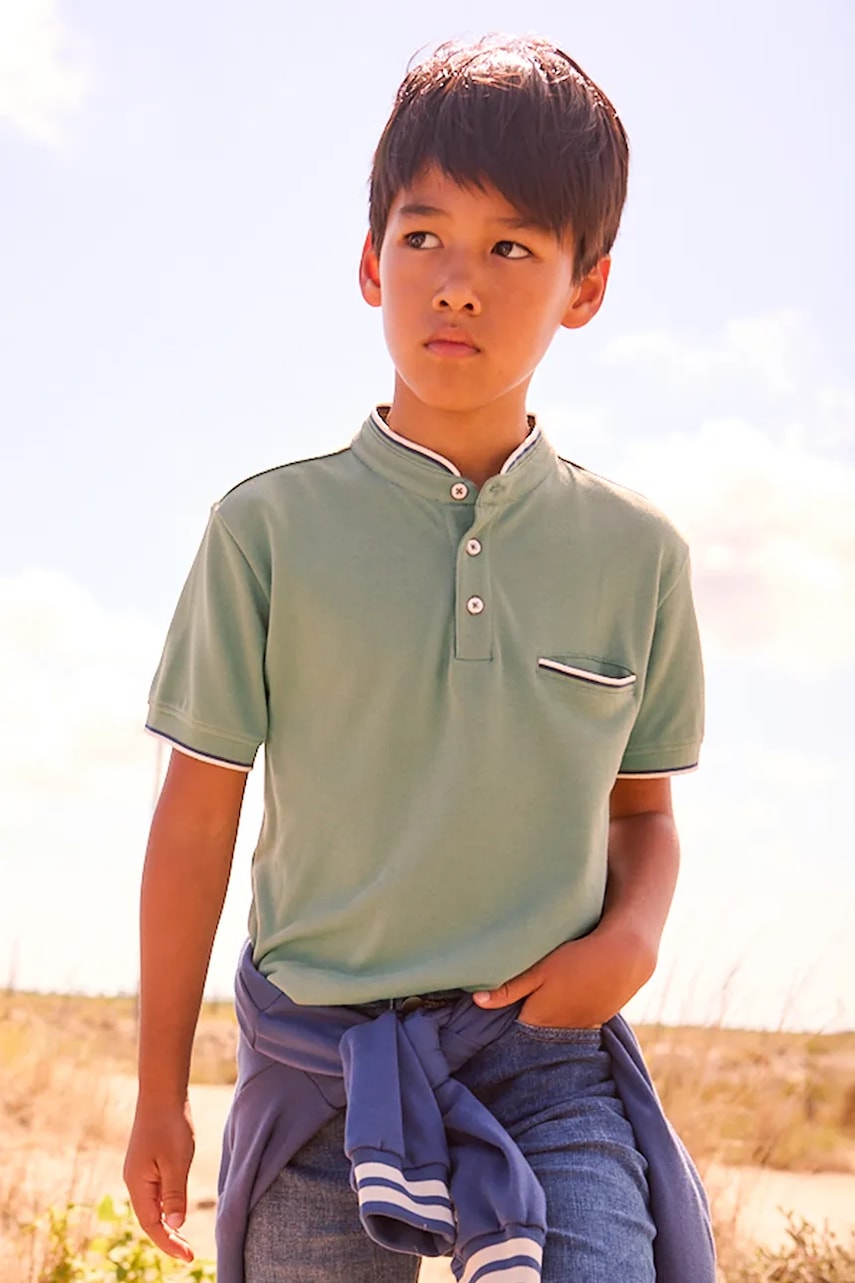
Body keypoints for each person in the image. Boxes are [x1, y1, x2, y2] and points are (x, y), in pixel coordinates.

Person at [123, 33, 711, 1283]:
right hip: (323, 1063)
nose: (457, 284)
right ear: (369, 261)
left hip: (547, 1057)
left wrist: (632, 940)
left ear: (587, 287)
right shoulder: (267, 528)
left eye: (512, 249)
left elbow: (644, 814)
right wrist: (158, 1090)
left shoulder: (637, 551)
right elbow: (196, 820)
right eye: (425, 236)